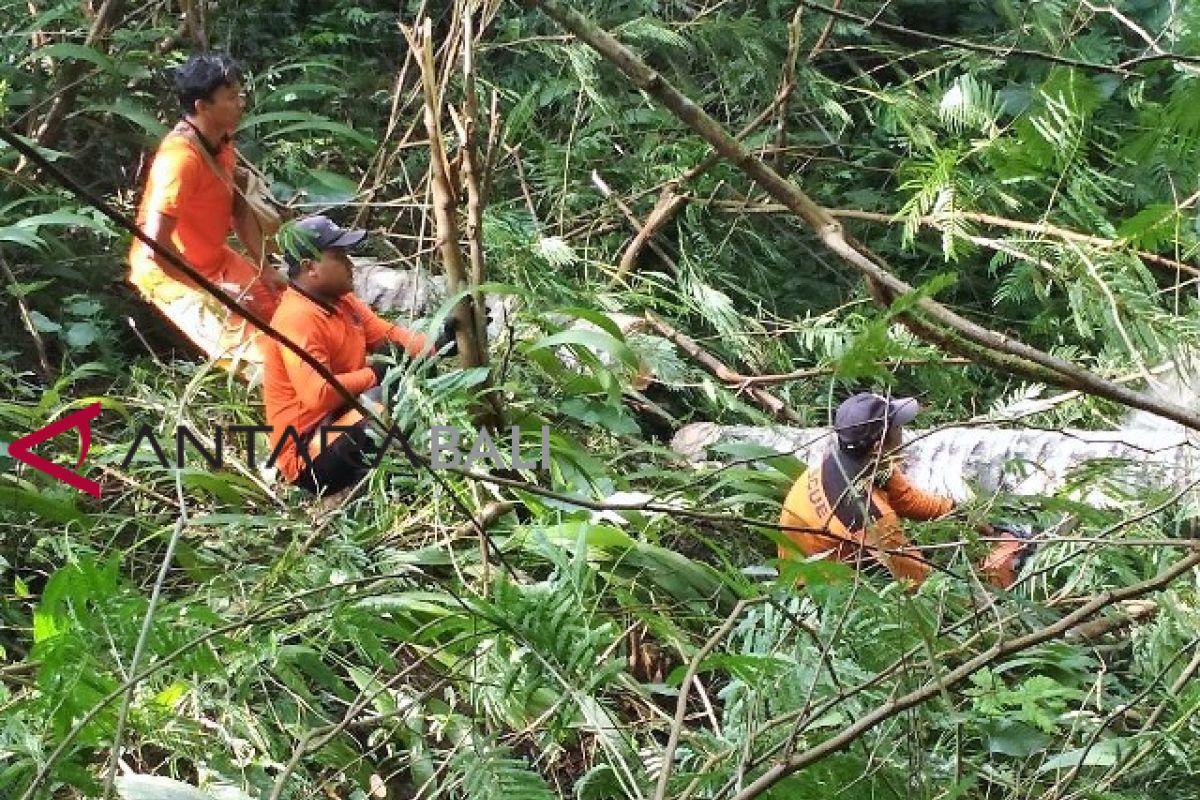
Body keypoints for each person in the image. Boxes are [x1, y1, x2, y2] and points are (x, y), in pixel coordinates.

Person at [262, 215, 456, 495]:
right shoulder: (297, 319)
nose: (351, 264)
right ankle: (389, 482)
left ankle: (411, 465)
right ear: (310, 268)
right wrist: (373, 374)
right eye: (339, 257)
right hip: (308, 453)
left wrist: (442, 342)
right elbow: (318, 395)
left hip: (342, 419)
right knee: (383, 400)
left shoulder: (343, 302)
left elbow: (389, 337)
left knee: (414, 372)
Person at [127, 51, 286, 378]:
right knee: (259, 357)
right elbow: (152, 246)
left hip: (214, 259)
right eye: (231, 97)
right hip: (170, 274)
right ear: (202, 107)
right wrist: (210, 292)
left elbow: (238, 207)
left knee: (284, 312)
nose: (240, 103)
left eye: (240, 94)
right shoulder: (179, 161)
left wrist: (263, 267)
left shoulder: (220, 141)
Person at [778, 392, 1032, 589]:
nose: (904, 432)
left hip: (831, 561)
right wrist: (995, 564)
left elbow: (910, 500)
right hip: (821, 593)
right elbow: (920, 581)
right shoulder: (869, 515)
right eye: (898, 428)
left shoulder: (849, 459)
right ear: (878, 446)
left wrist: (983, 525)